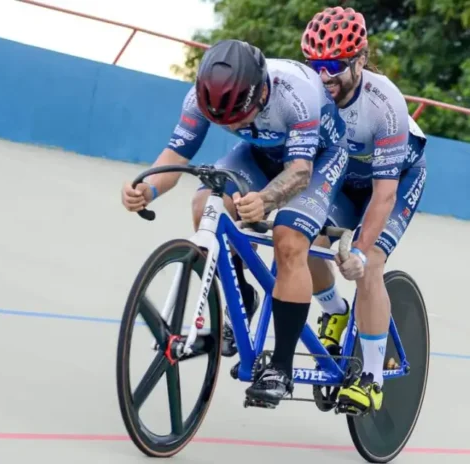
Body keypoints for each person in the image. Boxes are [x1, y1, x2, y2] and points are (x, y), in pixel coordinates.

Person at [120, 39, 351, 405]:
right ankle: (241, 293)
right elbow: (177, 155)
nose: (234, 125)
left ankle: (280, 368)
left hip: (318, 160)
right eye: (223, 122)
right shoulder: (201, 97)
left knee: (289, 239)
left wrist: (266, 200)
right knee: (205, 205)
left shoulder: (297, 93)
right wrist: (147, 188)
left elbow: (299, 172)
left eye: (239, 118)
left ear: (261, 93)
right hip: (259, 153)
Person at [300, 6, 429, 414]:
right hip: (347, 180)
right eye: (316, 65)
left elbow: (384, 196)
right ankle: (335, 312)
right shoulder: (310, 92)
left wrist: (357, 250)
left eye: (335, 66)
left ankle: (372, 379)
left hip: (396, 180)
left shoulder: (384, 103)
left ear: (360, 59)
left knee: (369, 263)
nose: (324, 76)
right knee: (307, 241)